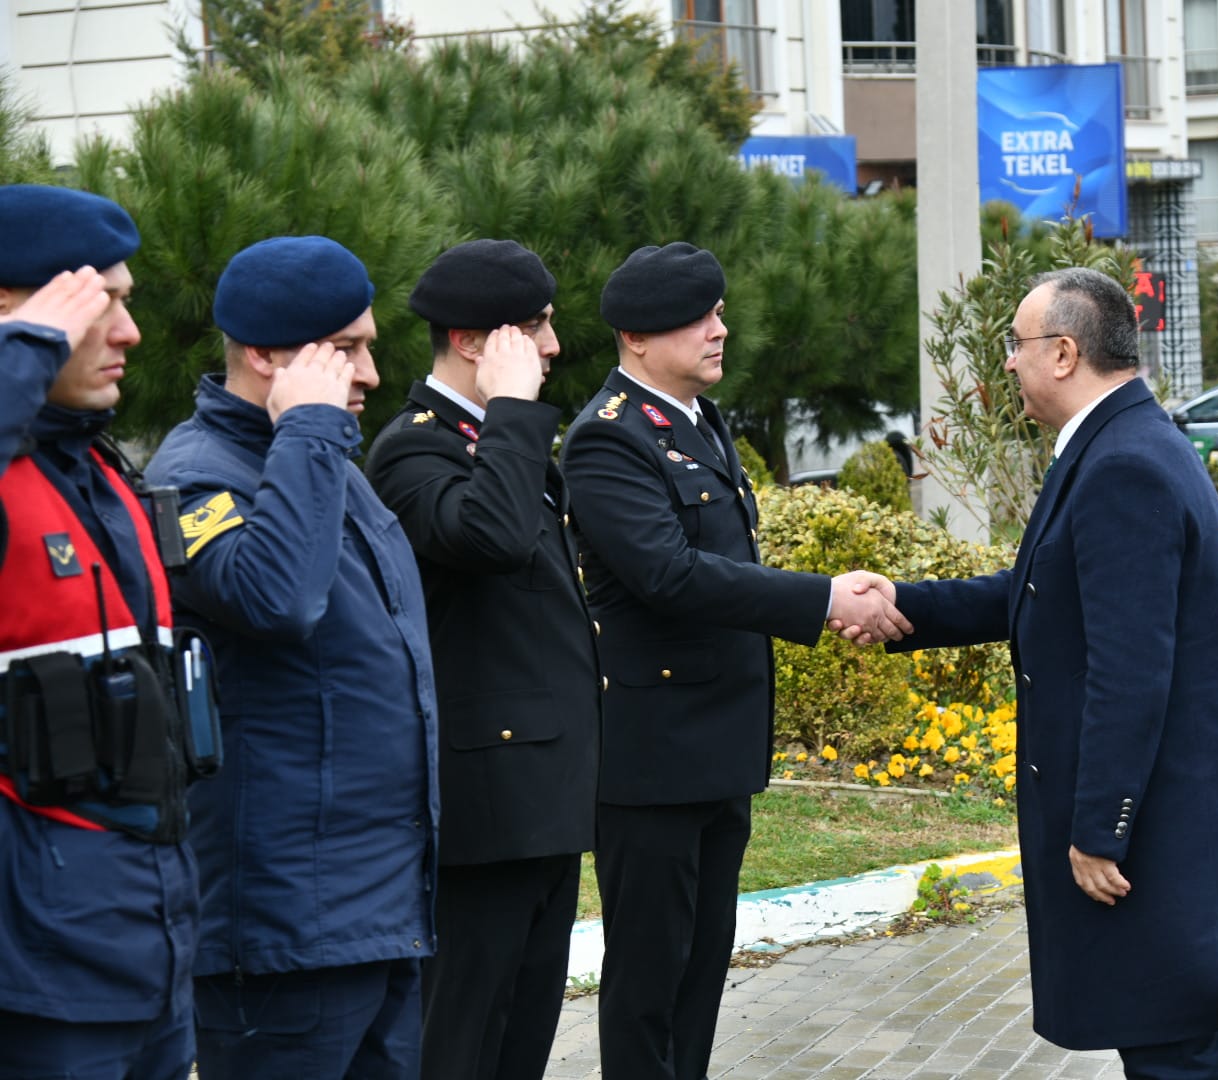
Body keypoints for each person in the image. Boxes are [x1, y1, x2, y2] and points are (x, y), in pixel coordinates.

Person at [871, 267, 1218, 1078]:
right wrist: (901, 607)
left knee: (1175, 1053)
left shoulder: (1122, 465)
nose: (1008, 363)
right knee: (1178, 1041)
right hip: (1171, 822)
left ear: (1064, 353)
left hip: (1153, 834)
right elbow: (1043, 591)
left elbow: (1129, 672)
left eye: (1017, 345)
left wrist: (1102, 829)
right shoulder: (1122, 442)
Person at [560, 241, 910, 1080]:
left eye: (717, 312)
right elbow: (669, 574)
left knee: (701, 968)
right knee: (650, 975)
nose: (720, 329)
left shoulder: (698, 420)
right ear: (637, 338)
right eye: (698, 318)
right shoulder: (607, 440)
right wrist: (823, 599)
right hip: (653, 759)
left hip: (717, 747)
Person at [146, 236, 438, 1080]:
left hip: (374, 911)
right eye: (346, 349)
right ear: (266, 356)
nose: (370, 373)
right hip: (284, 933)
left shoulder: (322, 459)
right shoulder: (198, 477)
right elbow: (277, 600)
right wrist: (308, 427)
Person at [366, 239, 598, 1080]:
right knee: (460, 1045)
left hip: (539, 800)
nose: (553, 346)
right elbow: (493, 539)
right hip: (483, 810)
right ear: (471, 342)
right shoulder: (413, 450)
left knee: (520, 1042)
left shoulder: (496, 439)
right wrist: (513, 411)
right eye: (534, 327)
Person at [0, 185, 211, 1080]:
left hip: (147, 947)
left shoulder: (97, 472)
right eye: (97, 304)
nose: (129, 333)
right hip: (37, 976)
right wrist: (23, 349)